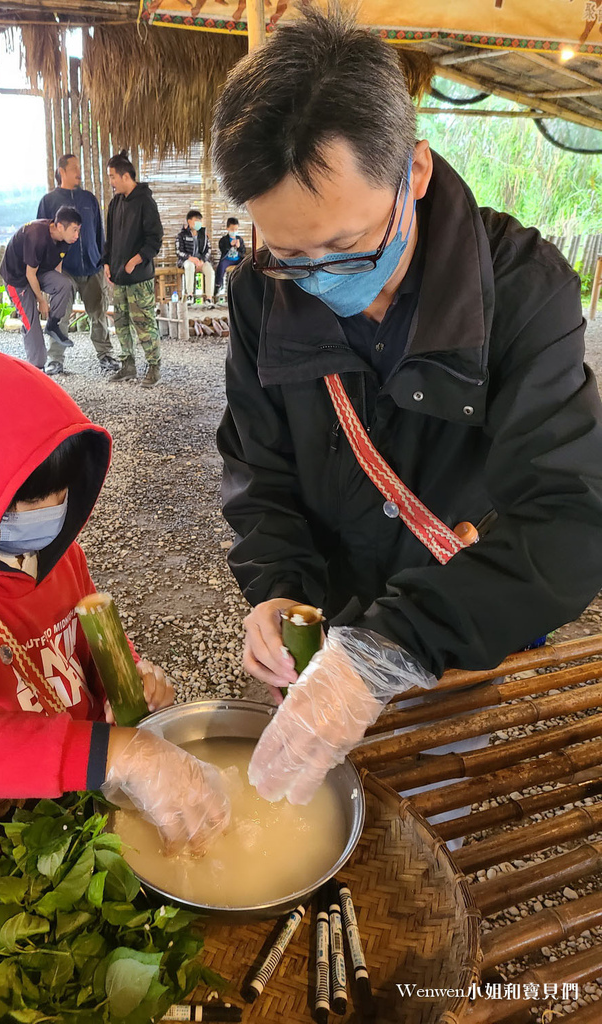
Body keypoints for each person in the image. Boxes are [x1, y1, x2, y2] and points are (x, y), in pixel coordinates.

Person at [211, 6, 602, 808]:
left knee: (434, 803)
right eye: (291, 255)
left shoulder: (526, 291)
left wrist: (392, 648)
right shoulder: (261, 293)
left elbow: (568, 521)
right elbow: (259, 470)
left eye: (348, 247)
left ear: (414, 172)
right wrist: (277, 589)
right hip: (320, 630)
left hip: (454, 622)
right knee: (312, 811)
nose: (322, 279)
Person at [0, 348, 231, 853]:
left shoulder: (60, 559)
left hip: (84, 797)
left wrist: (130, 682)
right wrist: (118, 753)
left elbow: (95, 655)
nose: (47, 513)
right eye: (26, 499)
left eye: (58, 494)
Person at [37, 154, 119, 378]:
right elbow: (43, 236)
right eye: (74, 168)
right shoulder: (48, 201)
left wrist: (104, 261)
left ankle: (106, 355)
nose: (78, 172)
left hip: (92, 267)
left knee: (98, 314)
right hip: (63, 271)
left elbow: (99, 231)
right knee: (60, 316)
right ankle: (55, 360)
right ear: (62, 171)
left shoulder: (89, 199)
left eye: (79, 167)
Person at [103, 150, 164, 388]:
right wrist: (107, 262)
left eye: (112, 177)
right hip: (119, 277)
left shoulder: (145, 202)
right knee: (121, 322)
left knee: (144, 322)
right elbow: (110, 238)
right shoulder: (115, 203)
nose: (111, 182)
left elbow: (155, 239)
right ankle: (127, 365)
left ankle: (154, 366)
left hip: (139, 277)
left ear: (125, 176)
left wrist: (135, 260)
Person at [0, 208, 81, 370]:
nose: (77, 235)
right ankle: (37, 368)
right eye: (74, 230)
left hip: (39, 272)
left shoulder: (67, 240)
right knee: (32, 323)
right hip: (17, 279)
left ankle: (53, 324)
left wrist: (56, 293)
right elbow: (30, 274)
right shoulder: (36, 235)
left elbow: (57, 267)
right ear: (59, 226)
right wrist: (42, 300)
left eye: (79, 230)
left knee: (64, 284)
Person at [176, 209, 215, 305]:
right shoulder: (182, 235)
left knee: (210, 270)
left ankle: (209, 298)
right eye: (196, 220)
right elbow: (178, 251)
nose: (199, 222)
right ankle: (189, 295)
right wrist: (190, 258)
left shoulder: (204, 235)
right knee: (189, 266)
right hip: (187, 260)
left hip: (201, 261)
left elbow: (208, 249)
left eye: (200, 220)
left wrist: (202, 260)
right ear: (189, 221)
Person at [216, 217, 246, 295]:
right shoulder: (224, 239)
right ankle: (219, 285)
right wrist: (230, 245)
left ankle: (244, 285)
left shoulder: (240, 239)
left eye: (236, 229)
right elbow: (222, 249)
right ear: (227, 229)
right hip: (227, 259)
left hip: (237, 259)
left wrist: (239, 247)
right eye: (232, 229)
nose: (234, 231)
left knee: (245, 265)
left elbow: (243, 251)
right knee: (221, 266)